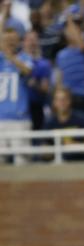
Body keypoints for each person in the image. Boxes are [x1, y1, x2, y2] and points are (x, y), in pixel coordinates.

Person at [0, 12, 33, 165]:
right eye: (7, 40)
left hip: (19, 118)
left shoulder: (24, 58)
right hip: (0, 118)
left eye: (13, 40)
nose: (10, 43)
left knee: (22, 163)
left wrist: (10, 56)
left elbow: (27, 71)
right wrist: (3, 16)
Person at [44, 87, 84, 161]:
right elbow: (44, 152)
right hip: (58, 166)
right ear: (54, 102)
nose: (61, 103)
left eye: (64, 99)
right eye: (58, 100)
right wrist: (53, 150)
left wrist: (73, 145)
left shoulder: (82, 119)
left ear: (70, 101)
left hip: (81, 164)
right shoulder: (49, 123)